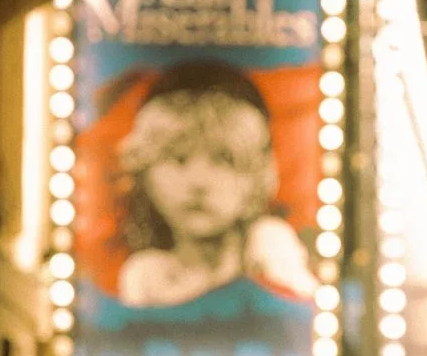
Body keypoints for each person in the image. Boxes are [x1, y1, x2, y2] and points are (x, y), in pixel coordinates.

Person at [116, 60, 316, 308]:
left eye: (224, 159)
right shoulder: (146, 276)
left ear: (257, 175)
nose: (198, 182)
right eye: (178, 158)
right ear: (144, 171)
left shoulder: (271, 249)